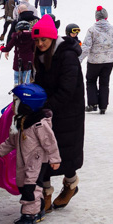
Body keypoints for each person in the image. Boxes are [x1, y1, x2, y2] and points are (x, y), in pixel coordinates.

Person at [31, 15, 85, 212]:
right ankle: (45, 193)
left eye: (43, 39)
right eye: (37, 40)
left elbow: (67, 89)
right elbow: (41, 81)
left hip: (68, 112)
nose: (40, 43)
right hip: (48, 110)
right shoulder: (41, 54)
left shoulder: (67, 56)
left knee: (64, 154)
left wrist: (46, 106)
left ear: (53, 38)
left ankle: (71, 185)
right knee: (42, 152)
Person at [0, 83, 61, 224]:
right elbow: (11, 141)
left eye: (16, 101)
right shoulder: (20, 121)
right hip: (22, 161)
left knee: (30, 188)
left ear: (27, 105)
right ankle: (40, 207)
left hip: (36, 161)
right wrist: (0, 152)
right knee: (23, 185)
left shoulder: (39, 124)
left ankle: (29, 216)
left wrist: (54, 159)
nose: (13, 105)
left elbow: (50, 142)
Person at [80, 6, 113, 114]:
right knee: (104, 82)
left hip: (94, 61)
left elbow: (86, 46)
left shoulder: (92, 30)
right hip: (108, 61)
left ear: (96, 18)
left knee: (91, 81)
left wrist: (78, 59)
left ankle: (92, 103)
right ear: (106, 17)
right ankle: (103, 106)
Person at [1, 20, 36, 85]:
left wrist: (2, 48)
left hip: (18, 59)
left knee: (17, 77)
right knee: (26, 77)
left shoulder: (16, 37)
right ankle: (26, 89)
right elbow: (34, 49)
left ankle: (17, 88)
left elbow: (8, 48)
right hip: (29, 59)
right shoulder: (32, 37)